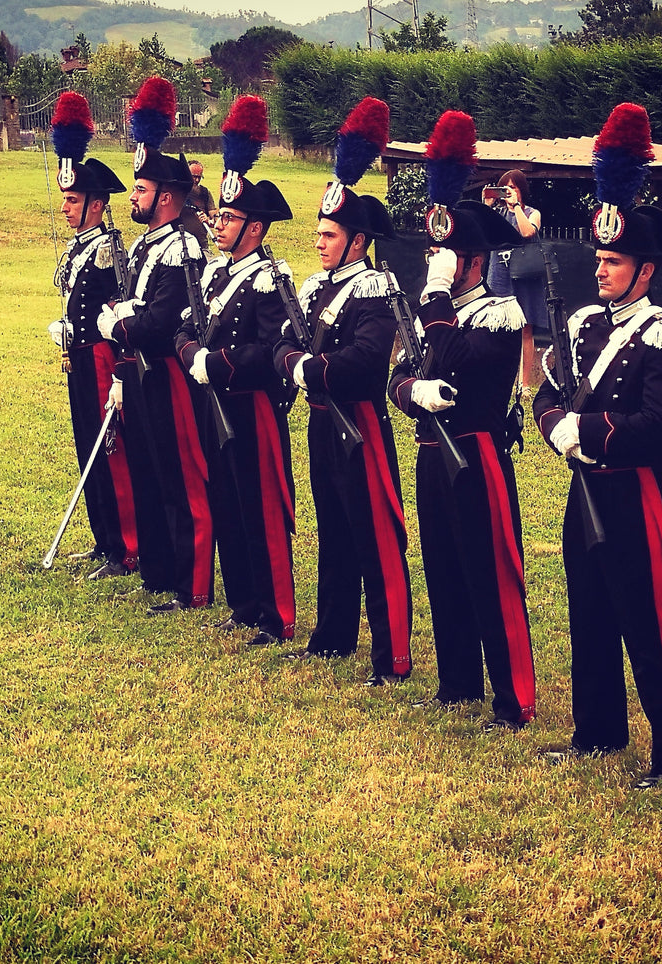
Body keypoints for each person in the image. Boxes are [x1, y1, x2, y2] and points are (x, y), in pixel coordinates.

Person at [531, 103, 662, 788]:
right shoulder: (581, 325)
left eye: (613, 261)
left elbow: (657, 426)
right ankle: (596, 730)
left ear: (645, 270)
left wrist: (588, 432)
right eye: (598, 259)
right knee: (589, 610)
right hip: (583, 487)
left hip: (633, 493)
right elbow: (544, 394)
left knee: (648, 620)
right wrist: (555, 429)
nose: (599, 271)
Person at [387, 111, 536, 730]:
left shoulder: (497, 312)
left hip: (477, 455)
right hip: (432, 450)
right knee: (442, 565)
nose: (437, 266)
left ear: (472, 263)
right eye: (435, 257)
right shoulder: (433, 310)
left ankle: (512, 696)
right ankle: (456, 682)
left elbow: (462, 364)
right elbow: (402, 374)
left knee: (489, 572)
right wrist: (411, 393)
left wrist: (438, 300)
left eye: (447, 258)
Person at [273, 96, 412, 687]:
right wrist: (298, 363)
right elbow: (282, 344)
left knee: (375, 538)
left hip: (360, 425)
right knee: (331, 526)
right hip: (321, 422)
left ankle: (392, 655)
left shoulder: (375, 288)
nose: (319, 242)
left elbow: (361, 366)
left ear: (358, 241)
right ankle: (332, 634)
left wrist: (307, 368)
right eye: (319, 232)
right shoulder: (313, 289)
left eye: (330, 234)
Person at [175, 95, 297, 648]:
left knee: (262, 507)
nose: (218, 225)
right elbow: (183, 326)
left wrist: (215, 363)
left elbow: (271, 349)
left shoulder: (269, 276)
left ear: (255, 228)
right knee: (227, 500)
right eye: (219, 216)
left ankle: (277, 613)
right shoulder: (216, 274)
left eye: (229, 218)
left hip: (252, 408)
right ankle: (245, 601)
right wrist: (189, 354)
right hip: (214, 403)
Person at [96, 78, 213, 614]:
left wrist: (118, 326)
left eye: (141, 191)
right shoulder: (148, 243)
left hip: (169, 372)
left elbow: (163, 319)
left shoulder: (184, 245)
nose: (134, 198)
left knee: (183, 478)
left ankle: (193, 584)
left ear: (165, 196)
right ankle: (161, 573)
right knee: (151, 470)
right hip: (141, 374)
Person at [45, 91, 139, 581]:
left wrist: (120, 372)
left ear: (97, 205)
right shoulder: (78, 247)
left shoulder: (108, 250)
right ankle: (104, 539)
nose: (65, 207)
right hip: (77, 358)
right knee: (87, 445)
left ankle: (127, 547)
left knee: (111, 449)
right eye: (64, 198)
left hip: (103, 359)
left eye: (74, 200)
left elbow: (119, 306)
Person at [485, 169, 549, 390]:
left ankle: (524, 383)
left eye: (513, 187)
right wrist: (487, 204)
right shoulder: (497, 213)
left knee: (525, 329)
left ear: (522, 190)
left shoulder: (533, 213)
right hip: (500, 274)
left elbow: (527, 233)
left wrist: (517, 208)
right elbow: (483, 231)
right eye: (505, 188)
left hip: (525, 276)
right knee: (496, 327)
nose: (509, 192)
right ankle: (496, 376)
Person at [183, 159, 219, 248]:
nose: (196, 180)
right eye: (193, 176)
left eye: (199, 177)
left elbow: (215, 219)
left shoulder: (205, 193)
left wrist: (208, 220)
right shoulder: (178, 192)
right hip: (179, 243)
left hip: (201, 244)